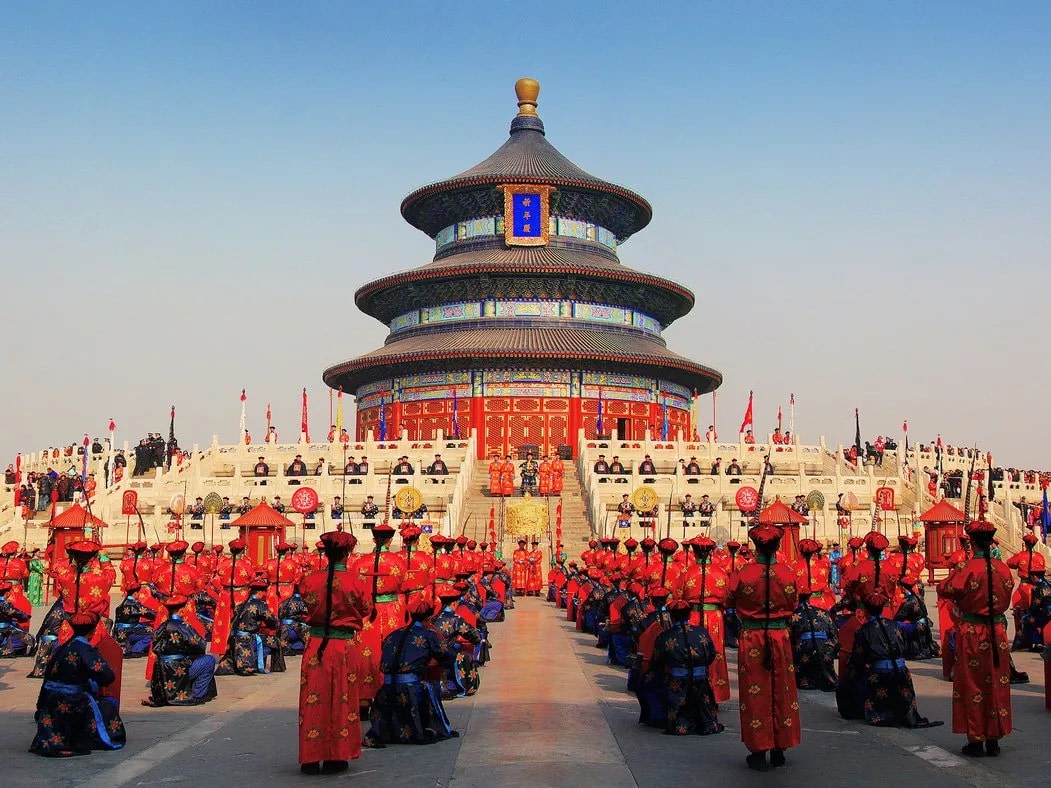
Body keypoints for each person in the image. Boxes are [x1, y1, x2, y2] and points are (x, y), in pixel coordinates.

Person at [937, 516, 1014, 757]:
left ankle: (976, 739)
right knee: (997, 682)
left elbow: (944, 589)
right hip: (997, 632)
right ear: (991, 542)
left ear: (972, 542)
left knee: (973, 684)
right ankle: (994, 738)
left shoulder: (967, 568)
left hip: (972, 632)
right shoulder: (1003, 569)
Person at [726, 524, 800, 772]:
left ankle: (759, 750)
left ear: (755, 546)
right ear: (778, 546)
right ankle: (780, 747)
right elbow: (794, 601)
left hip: (752, 636)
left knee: (755, 692)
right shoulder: (789, 573)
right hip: (779, 636)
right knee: (782, 688)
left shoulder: (743, 573)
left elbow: (729, 598)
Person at [298, 530, 372, 774]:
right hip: (343, 647)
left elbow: (304, 603)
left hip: (316, 646)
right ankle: (336, 756)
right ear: (348, 553)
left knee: (313, 700)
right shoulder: (357, 581)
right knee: (342, 698)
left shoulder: (309, 579)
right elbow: (365, 609)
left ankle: (310, 757)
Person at [837, 591, 941, 729]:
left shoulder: (863, 631)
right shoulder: (896, 626)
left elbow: (858, 658)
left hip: (880, 674)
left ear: (866, 610)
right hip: (902, 672)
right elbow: (904, 648)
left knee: (848, 681)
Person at [363, 598, 458, 747]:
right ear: (427, 619)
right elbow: (448, 655)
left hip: (385, 690)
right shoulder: (428, 635)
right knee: (429, 687)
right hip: (410, 689)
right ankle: (423, 729)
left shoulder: (393, 635)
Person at [30, 611, 126, 757]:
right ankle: (85, 739)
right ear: (93, 631)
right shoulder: (85, 650)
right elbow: (107, 675)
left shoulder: (61, 648)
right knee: (108, 707)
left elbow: (47, 678)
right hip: (72, 701)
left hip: (50, 701)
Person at [648, 599, 723, 736]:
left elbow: (656, 663)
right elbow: (711, 656)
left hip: (677, 683)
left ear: (672, 616)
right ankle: (707, 723)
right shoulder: (702, 632)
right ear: (689, 615)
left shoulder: (664, 636)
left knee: (649, 681)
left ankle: (676, 723)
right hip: (701, 682)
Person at [144, 596, 218, 706]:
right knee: (209, 660)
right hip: (178, 669)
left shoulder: (161, 627)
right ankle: (197, 694)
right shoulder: (184, 626)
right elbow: (200, 646)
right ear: (182, 610)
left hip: (162, 672)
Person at [216, 577, 280, 676]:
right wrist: (274, 625)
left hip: (235, 639)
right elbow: (272, 621)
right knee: (274, 642)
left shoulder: (241, 604)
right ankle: (254, 663)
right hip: (248, 639)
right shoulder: (260, 604)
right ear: (260, 592)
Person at [789, 585, 838, 691]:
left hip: (805, 648)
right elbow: (833, 633)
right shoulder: (823, 613)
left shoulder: (793, 615)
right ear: (809, 597)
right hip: (825, 649)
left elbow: (790, 637)